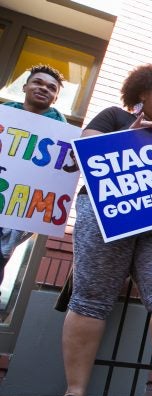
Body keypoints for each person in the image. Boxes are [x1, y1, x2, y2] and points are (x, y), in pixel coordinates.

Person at [39, 64, 152, 396]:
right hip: (108, 218)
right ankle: (74, 394)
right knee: (90, 295)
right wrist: (132, 134)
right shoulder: (113, 117)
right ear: (141, 94)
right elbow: (80, 155)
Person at [1, 64, 68, 286]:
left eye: (51, 87)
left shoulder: (64, 134)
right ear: (25, 87)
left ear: (55, 98)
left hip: (20, 209)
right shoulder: (4, 116)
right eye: (38, 82)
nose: (43, 89)